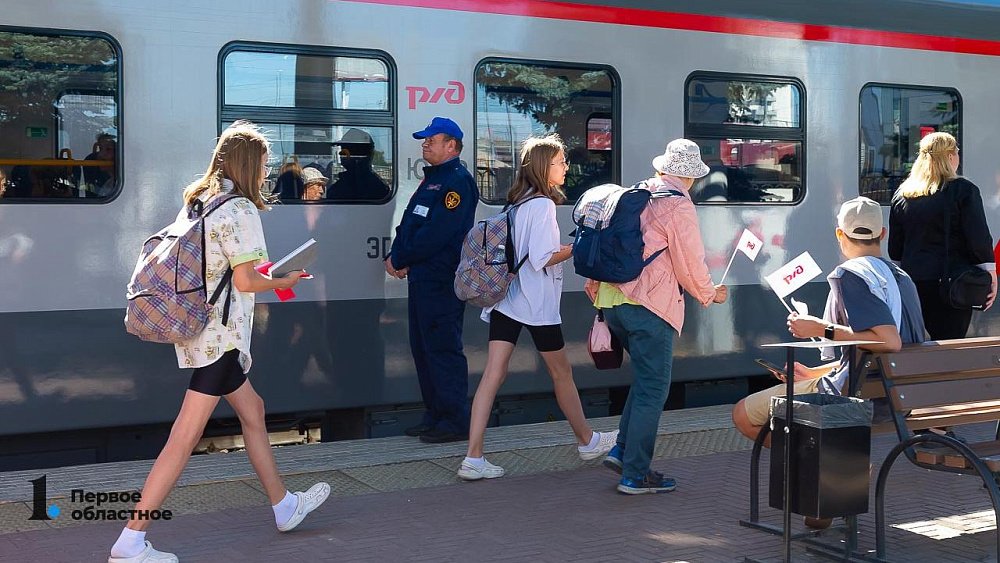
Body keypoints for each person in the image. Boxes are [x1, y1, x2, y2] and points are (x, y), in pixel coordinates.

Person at [108, 121, 330, 563]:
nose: (267, 172)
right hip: (220, 337)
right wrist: (285, 278)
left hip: (202, 330)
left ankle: (284, 505)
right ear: (250, 164)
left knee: (254, 410)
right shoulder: (240, 210)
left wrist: (269, 277)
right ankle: (131, 540)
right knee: (184, 436)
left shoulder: (201, 199)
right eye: (265, 164)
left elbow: (222, 270)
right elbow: (246, 280)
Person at [458, 134, 618, 481]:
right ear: (545, 166)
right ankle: (587, 441)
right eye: (561, 162)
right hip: (537, 304)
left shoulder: (517, 203)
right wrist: (578, 246)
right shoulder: (544, 205)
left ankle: (473, 457)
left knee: (492, 375)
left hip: (508, 299)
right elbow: (543, 258)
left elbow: (528, 250)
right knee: (562, 373)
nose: (565, 167)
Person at [586, 139, 728, 494]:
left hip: (613, 301)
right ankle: (635, 474)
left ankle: (621, 450)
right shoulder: (678, 205)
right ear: (691, 176)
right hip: (648, 307)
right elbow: (689, 262)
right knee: (654, 388)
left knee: (645, 381)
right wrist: (710, 294)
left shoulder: (638, 192)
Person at [733, 196, 927, 444]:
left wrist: (821, 328)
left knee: (742, 414)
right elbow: (876, 355)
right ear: (883, 233)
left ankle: (820, 469)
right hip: (899, 396)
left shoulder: (854, 275)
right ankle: (832, 467)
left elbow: (889, 342)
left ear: (839, 234)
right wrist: (815, 372)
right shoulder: (902, 277)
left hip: (863, 400)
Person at [386, 117, 478, 443]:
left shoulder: (457, 182)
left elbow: (438, 233)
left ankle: (454, 422)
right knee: (423, 349)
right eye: (424, 139)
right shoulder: (434, 180)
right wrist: (398, 252)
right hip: (423, 278)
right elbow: (410, 223)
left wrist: (401, 258)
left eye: (430, 139)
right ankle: (435, 415)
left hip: (440, 280)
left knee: (442, 350)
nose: (424, 144)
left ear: (451, 145)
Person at [888, 132, 996, 340]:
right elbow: (979, 238)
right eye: (956, 152)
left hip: (913, 284)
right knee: (950, 345)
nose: (958, 156)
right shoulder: (964, 191)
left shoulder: (903, 194)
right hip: (952, 284)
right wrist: (990, 274)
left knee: (919, 345)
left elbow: (895, 248)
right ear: (948, 157)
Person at [327, 128, 390, 201]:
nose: (340, 153)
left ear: (357, 155)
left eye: (344, 150)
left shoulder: (361, 183)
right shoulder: (370, 180)